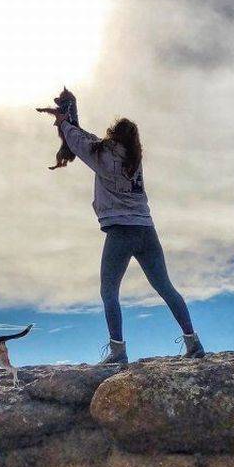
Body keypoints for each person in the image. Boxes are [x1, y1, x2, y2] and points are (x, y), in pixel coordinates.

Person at [46, 109, 205, 364]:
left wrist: (65, 124)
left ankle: (118, 352)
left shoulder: (104, 156)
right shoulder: (134, 159)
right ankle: (193, 343)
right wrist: (74, 124)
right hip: (146, 230)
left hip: (121, 231)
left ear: (113, 134)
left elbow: (81, 144)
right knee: (165, 287)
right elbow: (91, 140)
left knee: (109, 291)